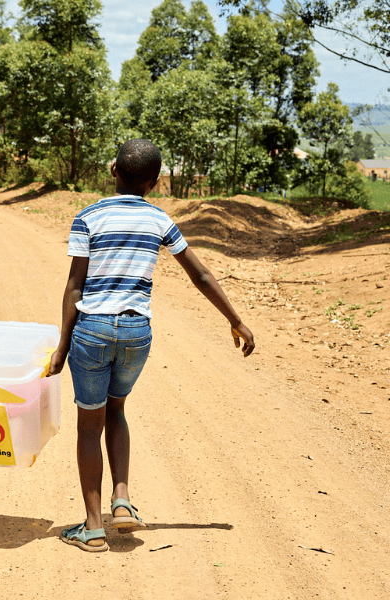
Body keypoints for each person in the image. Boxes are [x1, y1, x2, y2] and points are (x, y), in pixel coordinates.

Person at [48, 139, 255, 552]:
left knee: (90, 424)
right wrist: (236, 319)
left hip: (92, 330)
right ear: (155, 182)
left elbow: (75, 286)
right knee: (117, 409)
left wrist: (62, 345)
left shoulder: (88, 217)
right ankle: (121, 501)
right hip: (136, 332)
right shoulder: (160, 220)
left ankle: (92, 527)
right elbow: (200, 275)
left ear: (113, 171)